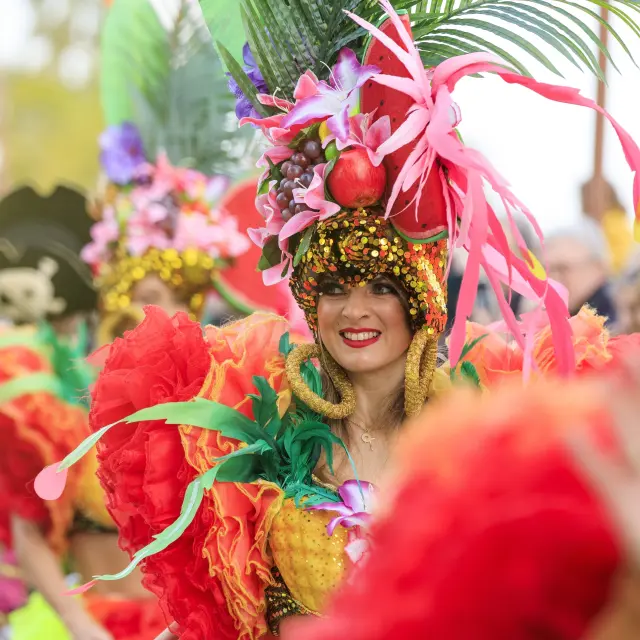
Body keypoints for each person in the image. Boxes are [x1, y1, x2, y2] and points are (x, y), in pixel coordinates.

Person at [37, 1, 640, 638]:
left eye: (382, 286)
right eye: (333, 288)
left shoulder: (480, 432)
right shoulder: (250, 436)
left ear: (420, 301)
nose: (355, 310)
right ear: (309, 302)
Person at [0, 185, 165, 640]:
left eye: (180, 296)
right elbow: (27, 528)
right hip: (94, 627)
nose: (162, 313)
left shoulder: (216, 406)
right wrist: (80, 626)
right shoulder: (47, 408)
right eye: (148, 294)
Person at [546, 222, 619, 325]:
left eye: (562, 269)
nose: (552, 279)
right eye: (547, 271)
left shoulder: (622, 318)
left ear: (597, 267)